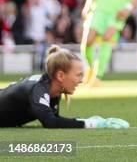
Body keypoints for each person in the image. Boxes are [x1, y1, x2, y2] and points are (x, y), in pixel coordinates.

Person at [0, 45, 129, 128]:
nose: (81, 80)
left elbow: (55, 119)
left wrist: (84, 120)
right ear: (61, 76)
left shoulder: (54, 90)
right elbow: (50, 122)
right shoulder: (39, 89)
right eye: (78, 75)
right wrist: (92, 124)